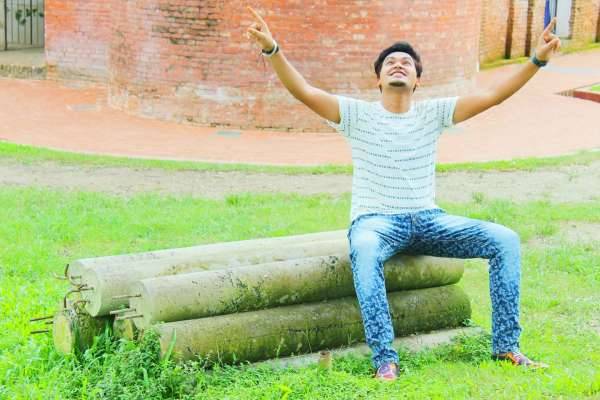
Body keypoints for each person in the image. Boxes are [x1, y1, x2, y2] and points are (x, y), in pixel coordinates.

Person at [246, 6, 560, 381]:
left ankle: (507, 347)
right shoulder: (356, 114)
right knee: (364, 250)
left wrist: (537, 60)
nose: (398, 65)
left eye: (406, 63)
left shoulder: (433, 113)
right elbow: (304, 91)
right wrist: (272, 49)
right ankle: (385, 360)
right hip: (375, 222)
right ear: (378, 80)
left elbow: (493, 95)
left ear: (417, 81)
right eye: (390, 63)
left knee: (504, 239)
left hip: (428, 220)